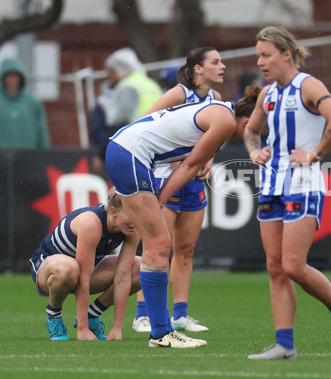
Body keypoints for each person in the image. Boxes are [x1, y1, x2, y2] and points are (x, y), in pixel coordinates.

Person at [105, 86, 258, 348]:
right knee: (159, 245)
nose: (256, 139)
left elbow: (190, 163)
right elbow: (188, 166)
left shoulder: (222, 116)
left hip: (127, 151)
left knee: (159, 244)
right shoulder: (224, 121)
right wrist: (160, 199)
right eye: (256, 132)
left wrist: (158, 200)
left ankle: (160, 329)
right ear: (247, 120)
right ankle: (160, 332)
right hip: (131, 154)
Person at [244, 26, 331, 360]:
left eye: (266, 55)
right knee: (276, 268)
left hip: (303, 184)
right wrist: (254, 151)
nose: (261, 62)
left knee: (294, 265)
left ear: (286, 54)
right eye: (258, 56)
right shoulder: (268, 94)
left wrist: (314, 155)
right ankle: (285, 344)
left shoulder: (308, 85)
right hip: (271, 185)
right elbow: (251, 131)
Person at [131, 47, 226, 333]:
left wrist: (208, 159)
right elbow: (143, 125)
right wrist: (171, 157)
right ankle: (143, 315)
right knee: (156, 247)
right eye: (215, 62)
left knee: (186, 249)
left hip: (193, 181)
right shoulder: (179, 94)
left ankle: (181, 314)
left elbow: (214, 137)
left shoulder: (216, 100)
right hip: (165, 178)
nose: (222, 66)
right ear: (198, 68)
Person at [28, 187, 142, 341]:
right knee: (68, 268)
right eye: (131, 214)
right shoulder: (91, 223)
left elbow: (123, 276)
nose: (136, 220)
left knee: (142, 268)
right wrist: (83, 330)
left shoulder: (133, 227)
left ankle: (92, 315)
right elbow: (84, 277)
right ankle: (54, 316)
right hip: (49, 267)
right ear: (114, 212)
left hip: (85, 267)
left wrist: (117, 328)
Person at [91, 48, 162, 172]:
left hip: (136, 147)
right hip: (158, 144)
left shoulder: (128, 86)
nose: (109, 77)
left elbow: (119, 123)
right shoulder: (151, 84)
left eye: (110, 72)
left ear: (120, 69)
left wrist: (102, 154)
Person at [0, 57, 51, 149]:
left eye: (15, 75)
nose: (12, 79)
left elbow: (42, 131)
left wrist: (46, 154)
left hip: (29, 156)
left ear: (20, 77)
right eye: (9, 75)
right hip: (2, 157)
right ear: (3, 78)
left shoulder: (32, 103)